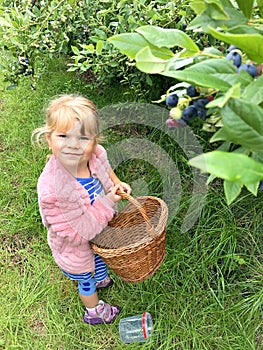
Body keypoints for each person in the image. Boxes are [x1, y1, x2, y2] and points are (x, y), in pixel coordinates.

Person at [32, 94, 132, 325]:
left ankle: (100, 275)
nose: (74, 145)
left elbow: (106, 171)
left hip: (98, 231)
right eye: (63, 136)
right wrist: (108, 201)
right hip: (74, 244)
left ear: (95, 141)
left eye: (84, 138)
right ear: (49, 139)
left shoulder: (95, 155)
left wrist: (116, 184)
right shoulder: (54, 191)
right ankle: (94, 310)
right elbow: (78, 233)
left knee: (98, 256)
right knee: (84, 276)